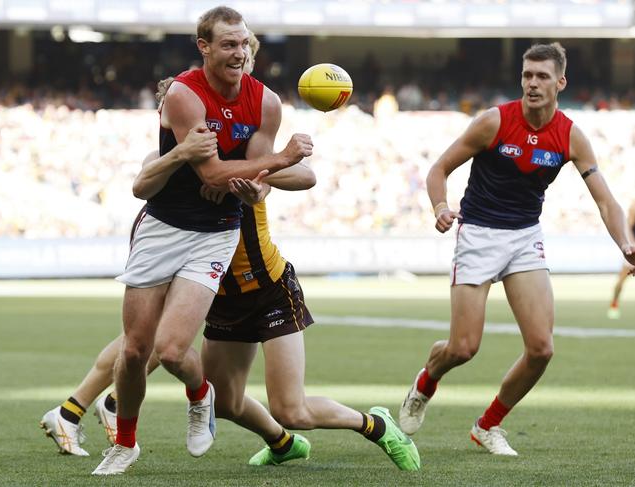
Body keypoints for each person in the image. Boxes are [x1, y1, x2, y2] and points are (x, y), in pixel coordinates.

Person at [43, 28, 420, 473]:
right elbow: (158, 181)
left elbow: (301, 178)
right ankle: (281, 445)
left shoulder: (255, 147)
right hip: (219, 290)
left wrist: (255, 179)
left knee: (292, 408)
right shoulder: (179, 157)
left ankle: (373, 425)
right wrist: (209, 171)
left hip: (266, 285)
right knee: (220, 398)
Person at [89, 6, 313, 475]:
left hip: (216, 232)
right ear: (204, 47)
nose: (239, 53)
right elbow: (212, 171)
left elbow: (254, 169)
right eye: (228, 44)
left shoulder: (266, 102)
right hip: (163, 225)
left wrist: (259, 184)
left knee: (171, 350)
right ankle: (126, 443)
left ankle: (199, 395)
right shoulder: (183, 94)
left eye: (245, 44)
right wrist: (283, 157)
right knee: (134, 350)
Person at [398, 42, 635, 456]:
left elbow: (605, 200)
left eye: (542, 76)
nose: (532, 83)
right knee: (463, 348)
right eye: (527, 75)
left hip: (525, 236)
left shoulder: (570, 135)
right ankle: (425, 383)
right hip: (478, 234)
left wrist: (626, 243)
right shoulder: (493, 121)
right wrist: (439, 207)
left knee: (542, 348)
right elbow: (439, 169)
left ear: (561, 82)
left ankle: (487, 425)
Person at [607, 200, 635, 319]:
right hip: (633, 247)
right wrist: (631, 246)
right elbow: (628, 227)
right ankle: (614, 303)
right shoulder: (633, 206)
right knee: (621, 281)